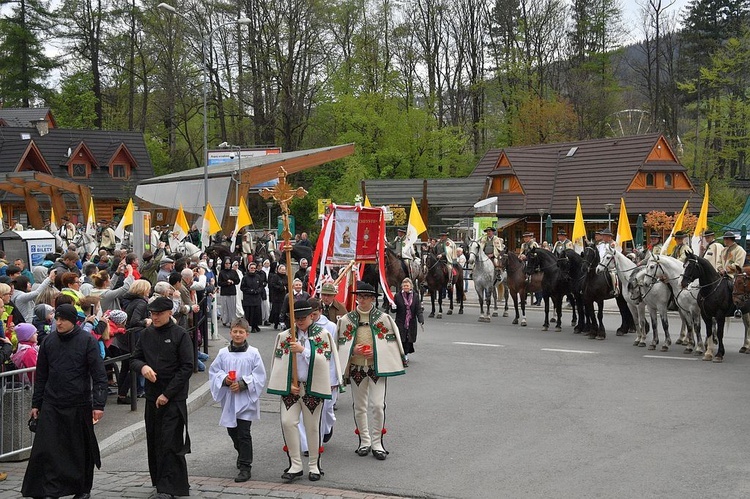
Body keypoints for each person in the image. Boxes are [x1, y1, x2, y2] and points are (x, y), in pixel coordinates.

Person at [21, 303, 107, 499]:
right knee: (49, 448)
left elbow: (99, 374)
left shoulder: (86, 341)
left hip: (79, 402)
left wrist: (99, 404)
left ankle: (82, 489)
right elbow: (41, 375)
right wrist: (36, 404)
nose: (58, 323)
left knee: (79, 449)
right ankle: (51, 488)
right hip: (52, 402)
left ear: (73, 321)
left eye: (63, 319)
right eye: (57, 318)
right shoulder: (49, 342)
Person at [267, 300, 341, 482]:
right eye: (296, 318)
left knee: (312, 427)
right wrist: (287, 384)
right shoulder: (285, 336)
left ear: (311, 316)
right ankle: (295, 464)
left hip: (312, 387)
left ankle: (314, 465)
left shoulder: (322, 335)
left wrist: (303, 350)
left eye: (303, 318)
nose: (300, 322)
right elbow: (279, 363)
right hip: (292, 388)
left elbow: (325, 360)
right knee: (287, 422)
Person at [130, 296, 194, 499]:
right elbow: (135, 359)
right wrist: (143, 367)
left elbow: (186, 367)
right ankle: (160, 481)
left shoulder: (180, 335)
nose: (155, 317)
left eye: (159, 314)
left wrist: (168, 394)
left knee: (171, 442)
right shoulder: (147, 334)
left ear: (169, 313)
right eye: (152, 314)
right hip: (152, 395)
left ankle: (171, 487)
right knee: (155, 439)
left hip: (173, 397)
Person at [337, 282, 406, 461]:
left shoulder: (383, 319)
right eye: (359, 296)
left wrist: (376, 352)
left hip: (376, 368)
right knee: (359, 406)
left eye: (366, 297)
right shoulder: (347, 320)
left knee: (377, 405)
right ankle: (364, 441)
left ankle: (377, 443)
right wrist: (353, 351)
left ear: (373, 299)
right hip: (357, 368)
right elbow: (340, 345)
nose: (362, 300)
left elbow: (391, 344)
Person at [209, 318, 267, 483]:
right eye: (235, 331)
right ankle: (242, 453)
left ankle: (245, 466)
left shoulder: (253, 353)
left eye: (241, 332)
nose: (238, 334)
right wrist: (225, 380)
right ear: (230, 332)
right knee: (232, 431)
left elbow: (260, 375)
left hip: (246, 399)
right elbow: (214, 372)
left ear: (247, 334)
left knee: (243, 433)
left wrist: (243, 384)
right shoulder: (223, 353)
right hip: (229, 399)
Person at [393, 278, 424, 365]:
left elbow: (418, 309)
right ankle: (401, 355)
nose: (405, 287)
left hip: (411, 322)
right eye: (404, 286)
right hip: (400, 321)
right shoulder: (397, 296)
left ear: (411, 286)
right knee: (401, 339)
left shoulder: (416, 296)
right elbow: (393, 311)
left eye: (407, 285)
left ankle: (405, 355)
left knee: (408, 339)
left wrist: (421, 319)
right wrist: (393, 307)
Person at [241, 261, 266, 333]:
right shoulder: (245, 277)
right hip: (248, 299)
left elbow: (261, 286)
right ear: (249, 269)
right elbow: (242, 287)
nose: (253, 269)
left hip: (256, 298)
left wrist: (258, 291)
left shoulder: (258, 277)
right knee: (250, 313)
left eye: (254, 268)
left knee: (257, 313)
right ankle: (251, 326)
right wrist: (251, 291)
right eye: (251, 268)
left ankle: (256, 325)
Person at [218, 258, 240, 327]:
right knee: (224, 307)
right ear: (224, 264)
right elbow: (219, 283)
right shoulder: (222, 272)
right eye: (226, 263)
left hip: (232, 291)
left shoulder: (233, 272)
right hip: (224, 291)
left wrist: (233, 281)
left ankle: (232, 321)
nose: (228, 265)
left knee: (232, 307)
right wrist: (226, 283)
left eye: (229, 263)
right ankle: (225, 320)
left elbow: (238, 281)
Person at [268, 264, 288, 329]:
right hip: (276, 296)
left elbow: (288, 284)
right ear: (278, 270)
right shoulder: (275, 276)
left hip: (284, 296)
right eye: (282, 270)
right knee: (276, 310)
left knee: (283, 309)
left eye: (284, 270)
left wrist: (286, 288)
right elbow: (273, 285)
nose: (283, 271)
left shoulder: (286, 277)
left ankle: (283, 322)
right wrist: (281, 288)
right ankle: (276, 323)